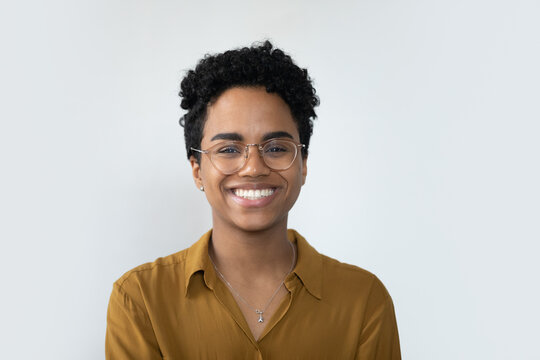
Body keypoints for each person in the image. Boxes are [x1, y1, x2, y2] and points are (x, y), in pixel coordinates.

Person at [105, 41, 401, 359]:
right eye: (229, 149)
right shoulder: (140, 299)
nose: (254, 168)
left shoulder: (364, 300)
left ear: (303, 165)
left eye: (275, 148)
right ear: (197, 171)